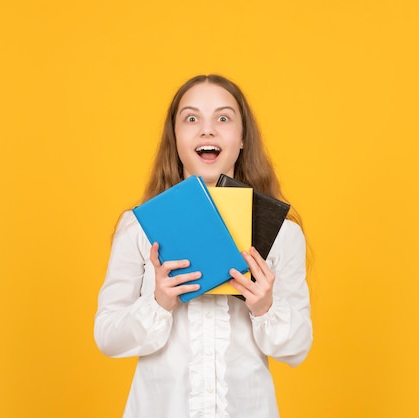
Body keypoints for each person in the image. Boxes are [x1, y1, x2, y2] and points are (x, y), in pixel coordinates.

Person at [94, 74, 313, 418]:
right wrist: (159, 303)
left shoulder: (283, 234)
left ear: (242, 140)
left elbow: (297, 349)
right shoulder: (138, 228)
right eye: (191, 118)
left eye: (223, 118)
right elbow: (107, 337)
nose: (207, 130)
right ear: (176, 139)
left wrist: (265, 306)